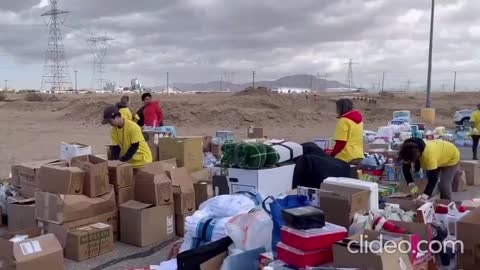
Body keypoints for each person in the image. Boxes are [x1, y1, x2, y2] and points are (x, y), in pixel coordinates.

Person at [330, 98, 364, 165]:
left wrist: (332, 155)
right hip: (358, 154)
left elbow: (341, 142)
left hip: (346, 157)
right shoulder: (359, 121)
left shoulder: (343, 121)